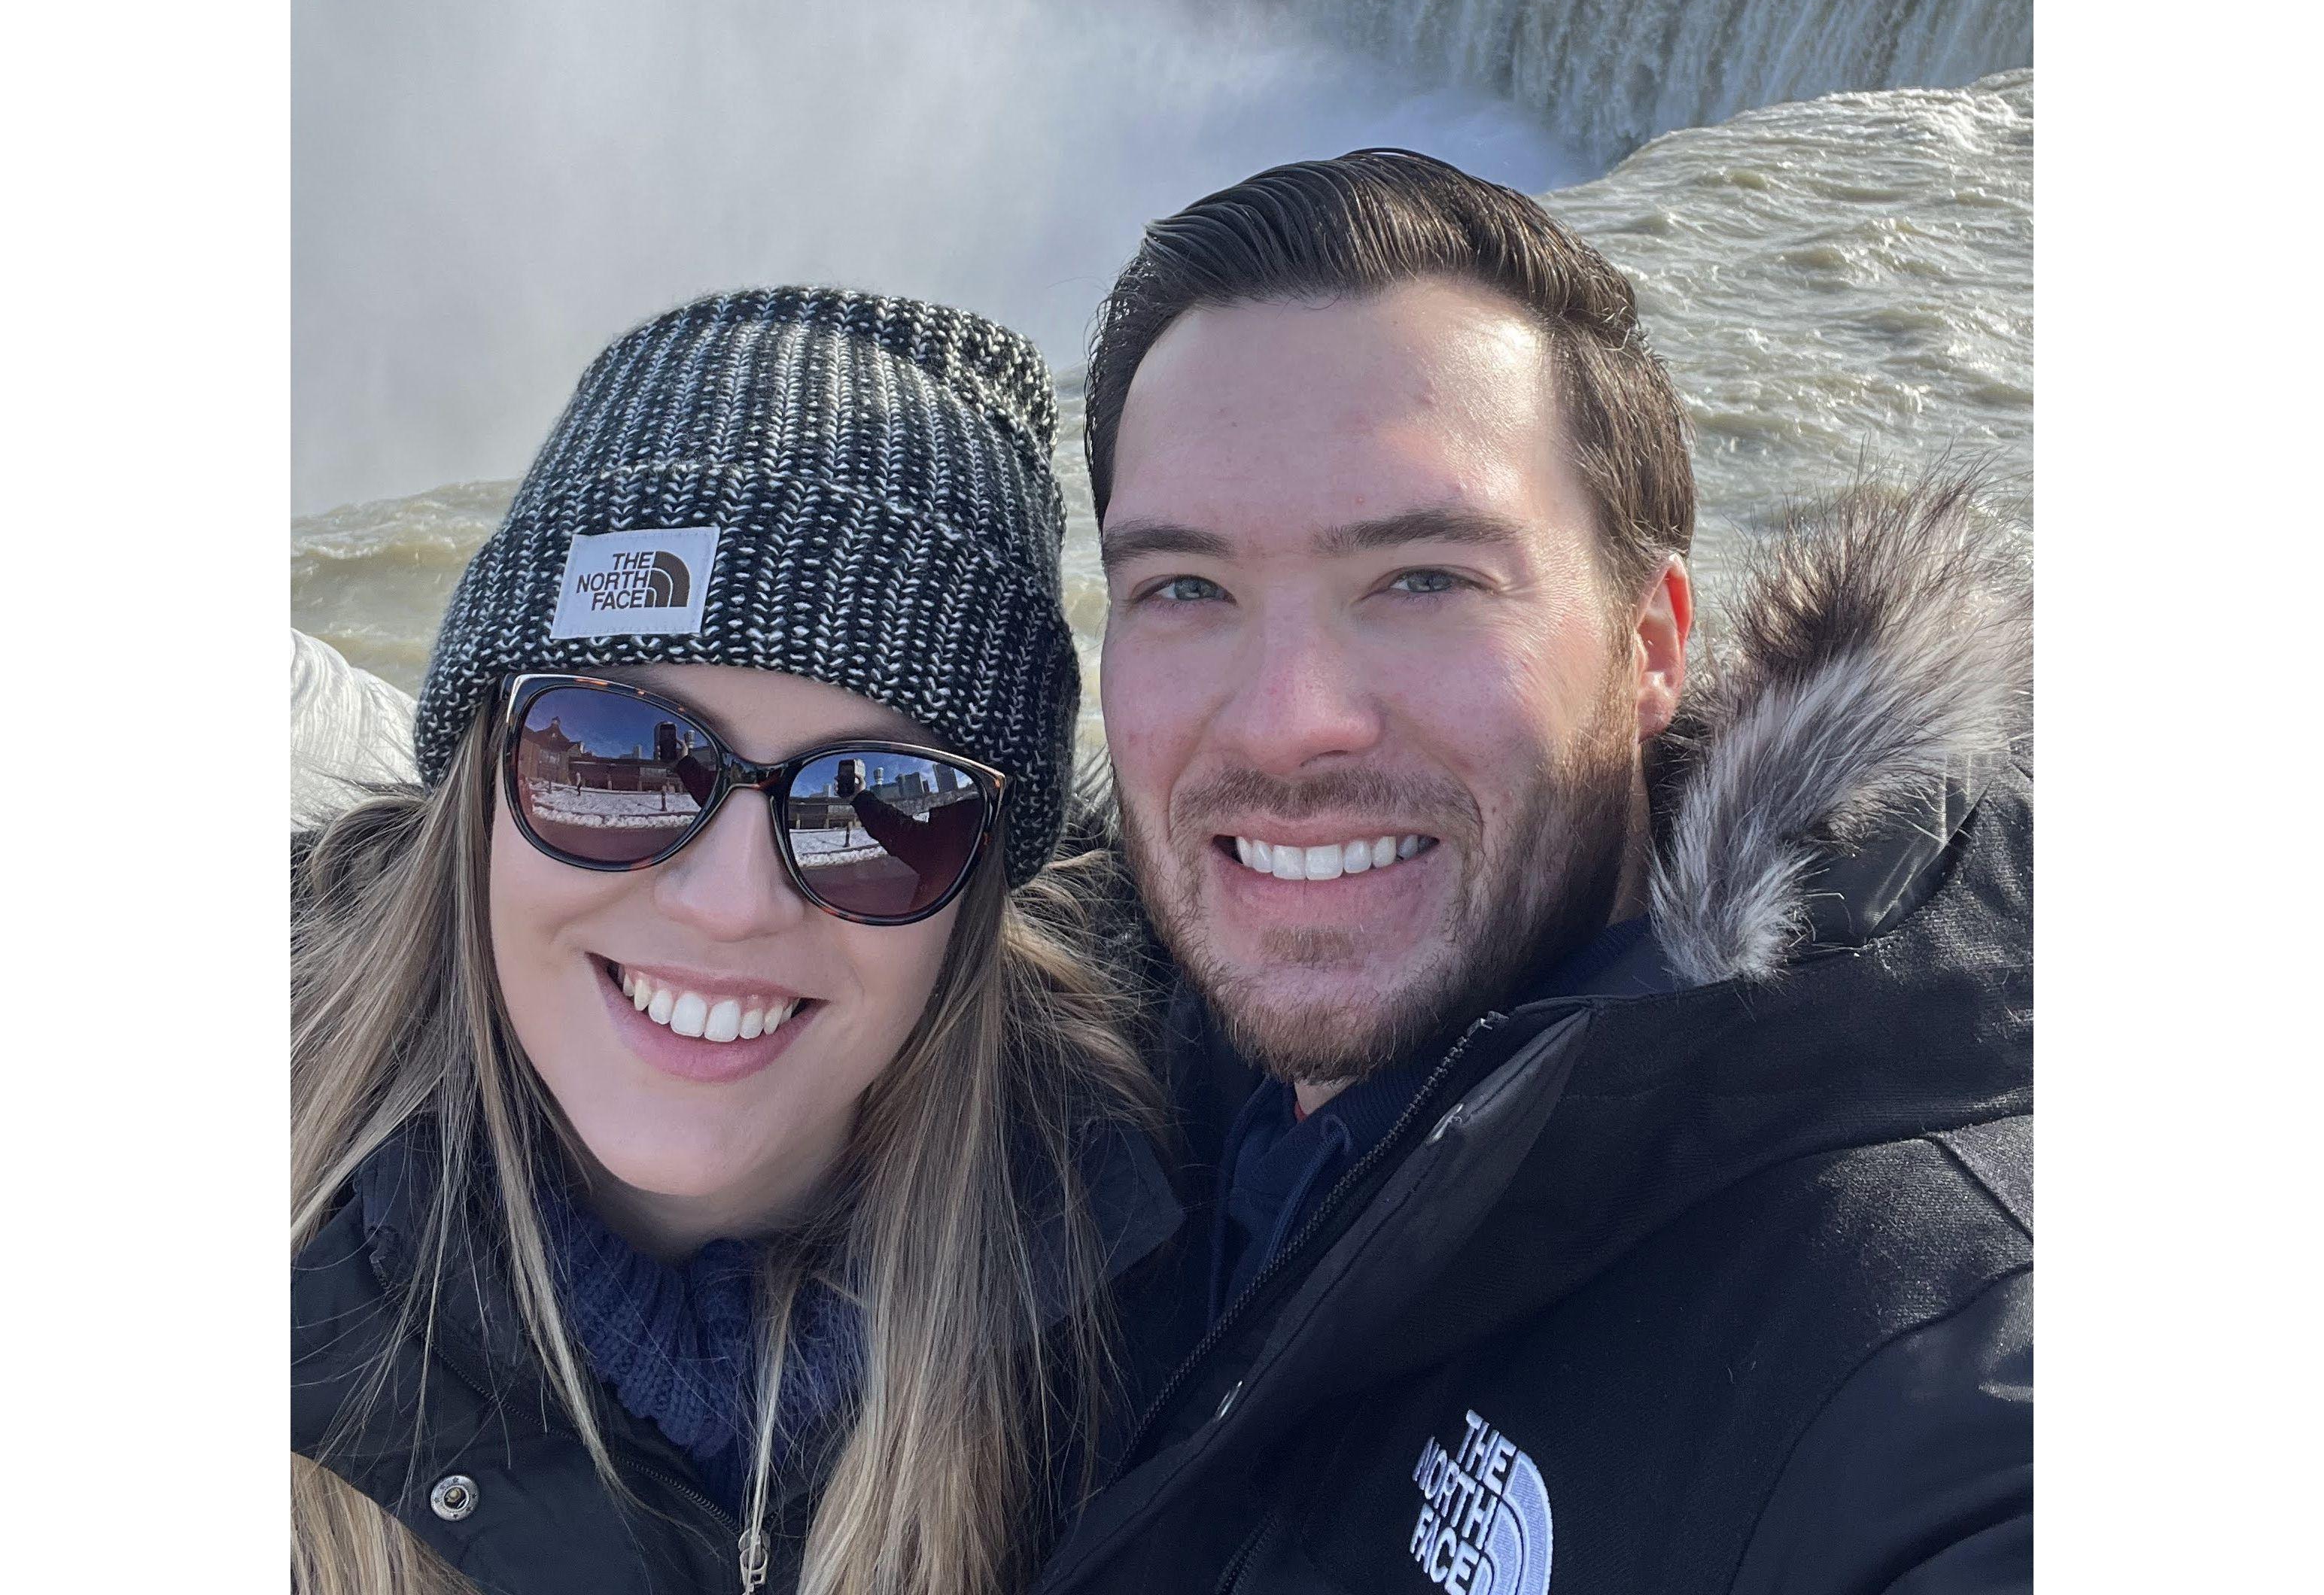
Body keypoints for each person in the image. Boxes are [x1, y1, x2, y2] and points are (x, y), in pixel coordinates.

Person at [1037, 150, 2031, 1595]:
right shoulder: (1078, 1072)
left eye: (1424, 578)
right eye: (1187, 589)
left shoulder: (1918, 1362)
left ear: (1651, 645)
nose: (1289, 719)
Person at [292, 288, 1179, 1595]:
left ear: (985, 885)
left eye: (884, 806)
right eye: (614, 757)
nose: (730, 899)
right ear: (478, 787)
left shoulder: (1166, 1322)